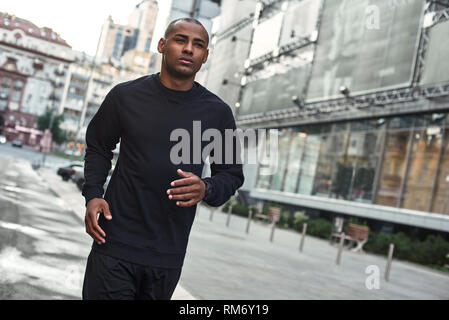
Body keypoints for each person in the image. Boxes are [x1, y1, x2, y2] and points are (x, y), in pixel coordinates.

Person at [81, 18, 244, 300]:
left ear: (205, 57)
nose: (189, 49)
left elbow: (231, 174)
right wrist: (93, 194)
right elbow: (98, 146)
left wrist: (207, 187)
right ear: (162, 45)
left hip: (167, 254)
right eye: (181, 40)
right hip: (114, 242)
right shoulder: (125, 96)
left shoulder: (218, 113)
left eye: (198, 45)